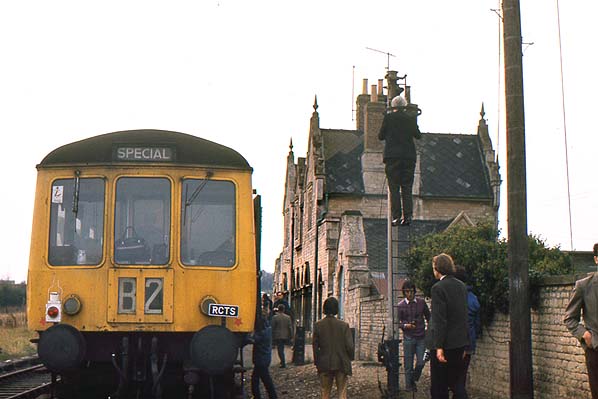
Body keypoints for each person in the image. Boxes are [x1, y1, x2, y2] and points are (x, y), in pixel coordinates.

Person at [429, 253, 470, 399]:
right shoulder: (462, 286)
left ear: (438, 269)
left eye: (434, 268)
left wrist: (439, 347)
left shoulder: (438, 288)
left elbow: (439, 320)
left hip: (444, 345)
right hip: (459, 344)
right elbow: (464, 316)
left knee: (439, 386)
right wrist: (466, 344)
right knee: (456, 383)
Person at [378, 95, 422, 226]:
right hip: (408, 157)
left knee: (394, 188)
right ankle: (408, 216)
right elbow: (418, 135)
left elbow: (380, 136)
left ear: (393, 106)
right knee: (407, 187)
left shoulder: (388, 118)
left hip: (392, 157)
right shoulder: (410, 118)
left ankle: (396, 217)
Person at [564, 243, 598, 399]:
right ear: (596, 260)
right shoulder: (584, 286)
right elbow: (570, 318)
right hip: (596, 351)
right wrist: (585, 335)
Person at [312, 297, 354, 399]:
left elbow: (315, 346)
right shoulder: (344, 326)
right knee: (342, 392)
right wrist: (349, 358)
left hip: (324, 363)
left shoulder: (318, 325)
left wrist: (317, 361)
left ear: (324, 308)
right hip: (341, 363)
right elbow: (350, 346)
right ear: (336, 309)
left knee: (325, 392)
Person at [397, 280, 430, 392]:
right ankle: (409, 386)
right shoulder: (401, 306)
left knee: (421, 361)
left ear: (414, 291)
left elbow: (429, 316)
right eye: (407, 292)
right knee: (408, 364)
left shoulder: (421, 303)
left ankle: (414, 378)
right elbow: (397, 323)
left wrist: (428, 329)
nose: (409, 294)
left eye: (411, 291)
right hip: (408, 337)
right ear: (404, 293)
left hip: (421, 337)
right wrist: (406, 325)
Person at [453, 266, 481, 397]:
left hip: (455, 342)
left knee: (453, 378)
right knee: (461, 375)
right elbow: (477, 323)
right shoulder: (473, 298)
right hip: (469, 342)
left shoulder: (454, 296)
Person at [251, 316, 278, 399]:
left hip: (260, 360)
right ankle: (267, 396)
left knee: (262, 380)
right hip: (264, 359)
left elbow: (254, 339)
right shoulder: (268, 330)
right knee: (262, 379)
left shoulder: (262, 334)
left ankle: (259, 396)